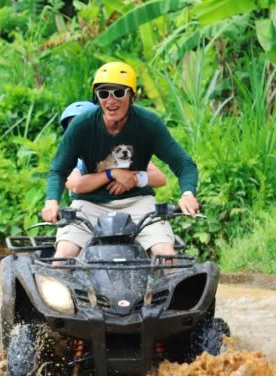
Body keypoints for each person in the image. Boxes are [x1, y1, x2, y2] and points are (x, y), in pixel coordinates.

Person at [42, 62, 200, 259]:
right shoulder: (82, 125)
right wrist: (51, 201)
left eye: (118, 93)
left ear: (132, 95)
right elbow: (58, 170)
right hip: (89, 203)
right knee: (63, 255)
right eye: (103, 93)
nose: (111, 100)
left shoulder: (148, 124)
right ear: (96, 97)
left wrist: (187, 194)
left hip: (139, 203)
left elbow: (184, 164)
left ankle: (160, 289)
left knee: (166, 255)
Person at [58, 101, 167, 195]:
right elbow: (76, 185)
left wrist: (133, 179)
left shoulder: (120, 151)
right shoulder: (74, 159)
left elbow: (160, 178)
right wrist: (112, 174)